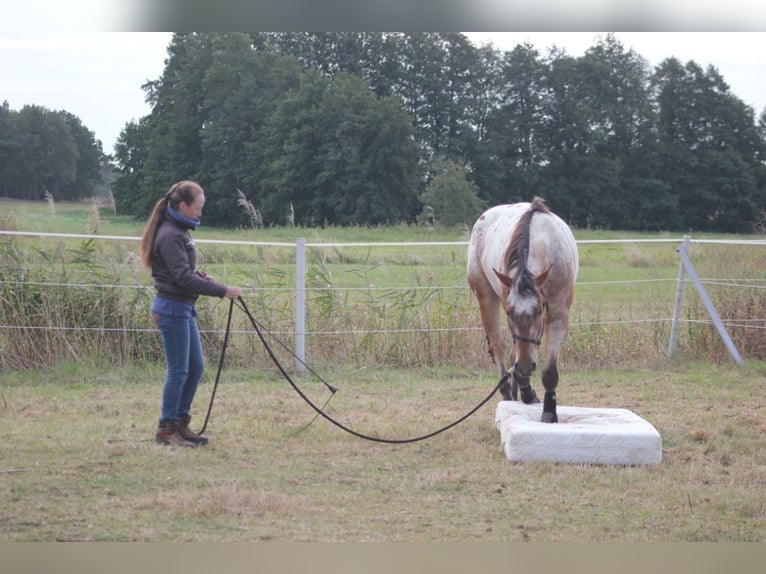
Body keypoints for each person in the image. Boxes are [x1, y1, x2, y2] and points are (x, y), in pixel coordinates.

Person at [139, 180, 243, 447]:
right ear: (183, 206)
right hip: (172, 309)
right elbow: (182, 278)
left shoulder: (178, 231)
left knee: (195, 368)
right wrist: (221, 290)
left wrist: (200, 276)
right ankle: (166, 428)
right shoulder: (172, 234)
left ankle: (181, 423)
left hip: (182, 308)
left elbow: (181, 271)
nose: (200, 213)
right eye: (197, 208)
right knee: (178, 372)